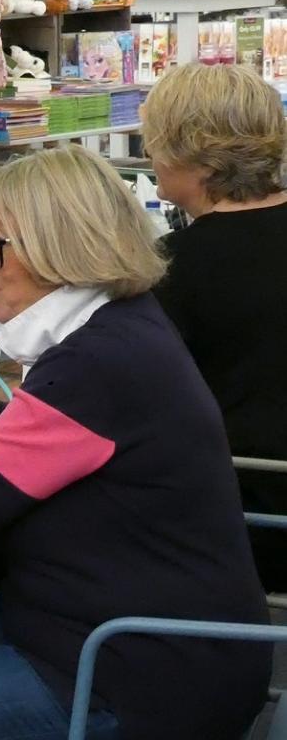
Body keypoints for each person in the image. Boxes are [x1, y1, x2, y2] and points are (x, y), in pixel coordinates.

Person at [0, 145, 271, 740]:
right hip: (96, 622)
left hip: (143, 671)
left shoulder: (95, 363)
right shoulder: (119, 324)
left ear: (56, 251)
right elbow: (53, 427)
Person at [143, 62, 287, 593]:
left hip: (240, 521)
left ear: (192, 153)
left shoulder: (171, 268)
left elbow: (127, 403)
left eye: (154, 138)